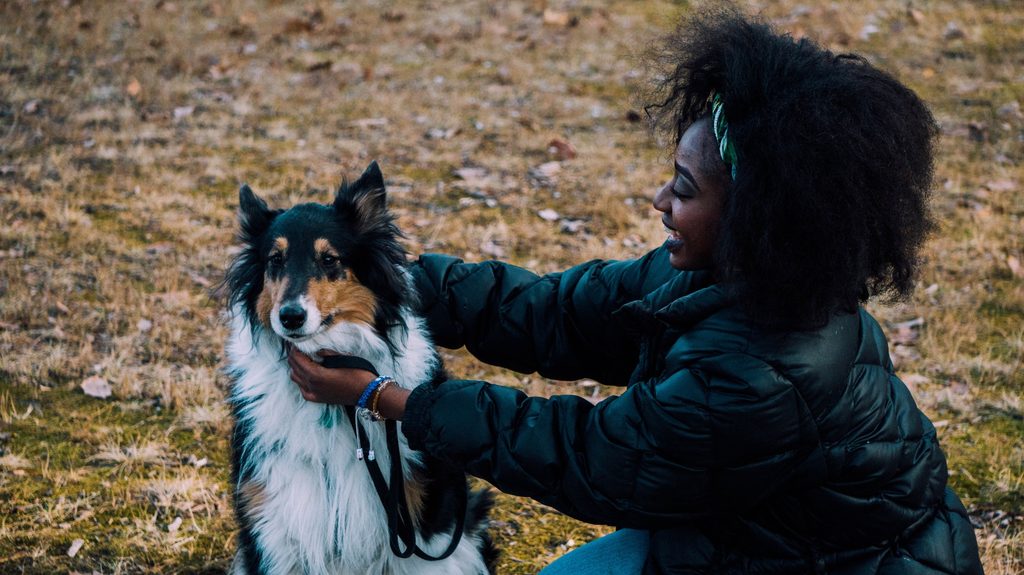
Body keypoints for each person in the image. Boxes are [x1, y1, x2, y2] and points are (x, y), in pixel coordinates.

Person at [287, 7, 984, 574]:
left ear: (753, 216)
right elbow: (556, 312)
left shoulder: (759, 374)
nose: (660, 199)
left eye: (683, 189)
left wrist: (385, 399)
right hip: (743, 539)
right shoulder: (713, 273)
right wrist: (385, 274)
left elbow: (590, 455)